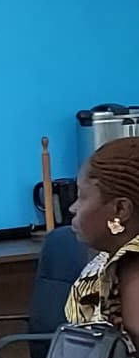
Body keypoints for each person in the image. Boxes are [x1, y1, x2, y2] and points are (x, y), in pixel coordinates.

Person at [67, 136, 139, 346]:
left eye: (82, 196)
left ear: (120, 210)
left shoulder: (133, 267)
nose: (72, 208)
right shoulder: (108, 259)